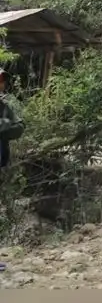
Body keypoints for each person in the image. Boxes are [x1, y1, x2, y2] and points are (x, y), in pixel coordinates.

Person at [0, 68, 24, 274]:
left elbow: (20, 127)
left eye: (2, 80)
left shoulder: (6, 106)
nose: (1, 84)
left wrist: (3, 125)